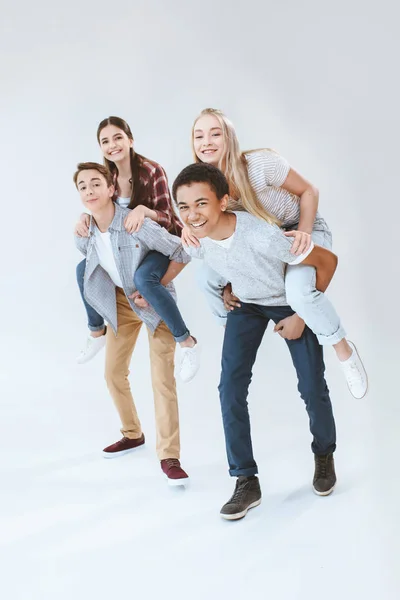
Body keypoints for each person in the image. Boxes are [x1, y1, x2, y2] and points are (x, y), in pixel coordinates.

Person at [173, 162, 339, 519]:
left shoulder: (262, 234)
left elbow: (326, 262)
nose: (192, 215)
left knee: (311, 385)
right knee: (229, 388)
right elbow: (201, 258)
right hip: (247, 306)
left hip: (285, 304)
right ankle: (245, 480)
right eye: (183, 207)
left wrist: (300, 315)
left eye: (201, 204)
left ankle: (324, 455)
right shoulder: (198, 239)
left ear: (223, 202)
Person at [182, 108, 367, 399]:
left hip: (299, 227)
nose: (207, 142)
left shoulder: (259, 165)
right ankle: (233, 328)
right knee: (206, 277)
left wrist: (304, 234)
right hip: (264, 242)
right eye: (199, 135)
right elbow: (226, 240)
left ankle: (342, 349)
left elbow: (309, 191)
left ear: (228, 138)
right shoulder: (205, 186)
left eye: (215, 133)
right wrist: (190, 231)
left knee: (298, 292)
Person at [74, 161, 191, 485]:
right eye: (83, 186)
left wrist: (155, 287)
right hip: (120, 306)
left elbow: (181, 250)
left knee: (161, 380)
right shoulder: (85, 233)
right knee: (113, 374)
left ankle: (169, 456)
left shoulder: (133, 223)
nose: (89, 191)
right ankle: (132, 433)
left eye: (95, 183)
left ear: (112, 189)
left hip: (154, 305)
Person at [74, 116, 198, 382]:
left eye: (118, 137)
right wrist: (86, 216)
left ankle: (187, 343)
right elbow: (102, 208)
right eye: (105, 141)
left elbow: (169, 217)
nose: (112, 145)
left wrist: (143, 210)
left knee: (143, 278)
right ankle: (96, 332)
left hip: (158, 243)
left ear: (130, 140)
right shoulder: (108, 176)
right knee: (83, 268)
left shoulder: (151, 171)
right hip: (129, 247)